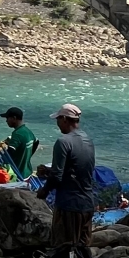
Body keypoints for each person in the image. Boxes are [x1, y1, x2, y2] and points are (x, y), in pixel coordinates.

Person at [33, 103, 95, 249]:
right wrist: (48, 171)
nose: (57, 123)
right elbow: (77, 169)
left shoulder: (63, 142)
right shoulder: (87, 140)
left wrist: (44, 190)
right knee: (83, 249)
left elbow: (57, 176)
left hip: (69, 206)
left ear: (65, 119)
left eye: (58, 119)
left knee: (63, 249)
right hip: (87, 203)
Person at [0, 107, 38, 178]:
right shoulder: (28, 131)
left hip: (18, 175)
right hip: (28, 173)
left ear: (14, 118)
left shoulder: (17, 134)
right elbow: (36, 142)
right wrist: (26, 157)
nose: (6, 121)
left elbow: (8, 154)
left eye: (7, 118)